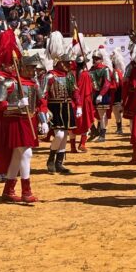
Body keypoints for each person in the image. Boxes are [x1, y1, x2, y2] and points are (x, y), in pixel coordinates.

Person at [0, 31, 48, 204]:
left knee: (17, 156)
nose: (32, 71)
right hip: (13, 122)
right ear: (21, 67)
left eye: (34, 68)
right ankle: (26, 190)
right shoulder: (8, 83)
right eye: (29, 68)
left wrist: (43, 121)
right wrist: (16, 106)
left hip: (29, 121)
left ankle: (8, 190)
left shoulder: (33, 84)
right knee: (26, 153)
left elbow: (40, 103)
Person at [44, 32, 81, 175]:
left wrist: (78, 105)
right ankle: (51, 158)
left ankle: (59, 163)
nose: (68, 64)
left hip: (66, 106)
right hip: (54, 107)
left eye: (68, 63)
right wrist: (44, 110)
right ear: (58, 62)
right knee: (58, 135)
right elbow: (43, 94)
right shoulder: (50, 75)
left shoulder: (70, 76)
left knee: (65, 135)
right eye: (65, 62)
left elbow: (75, 91)